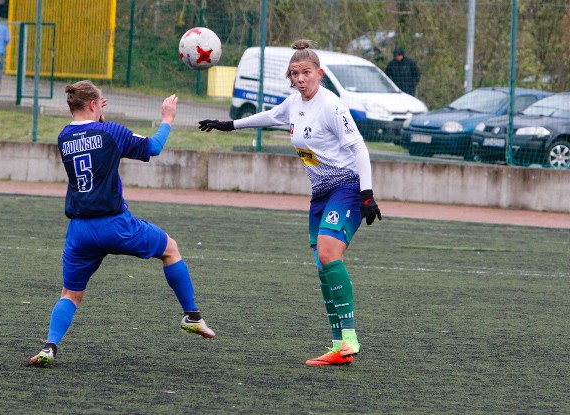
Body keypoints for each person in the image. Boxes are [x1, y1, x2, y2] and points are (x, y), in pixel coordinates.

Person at [198, 40, 382, 367]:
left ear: (319, 74)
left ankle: (350, 337)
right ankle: (339, 345)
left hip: (347, 186)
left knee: (328, 252)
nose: (300, 79)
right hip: (320, 193)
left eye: (306, 73)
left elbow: (360, 149)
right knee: (323, 266)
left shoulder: (332, 106)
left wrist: (366, 195)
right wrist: (228, 125)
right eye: (294, 73)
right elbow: (269, 116)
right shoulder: (295, 102)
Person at [29, 80, 215, 367]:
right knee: (170, 250)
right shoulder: (112, 132)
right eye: (100, 101)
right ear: (93, 104)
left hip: (79, 232)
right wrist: (167, 119)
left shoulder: (63, 136)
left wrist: (97, 116)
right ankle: (191, 315)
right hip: (115, 225)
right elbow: (153, 147)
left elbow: (89, 136)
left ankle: (50, 347)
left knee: (71, 294)